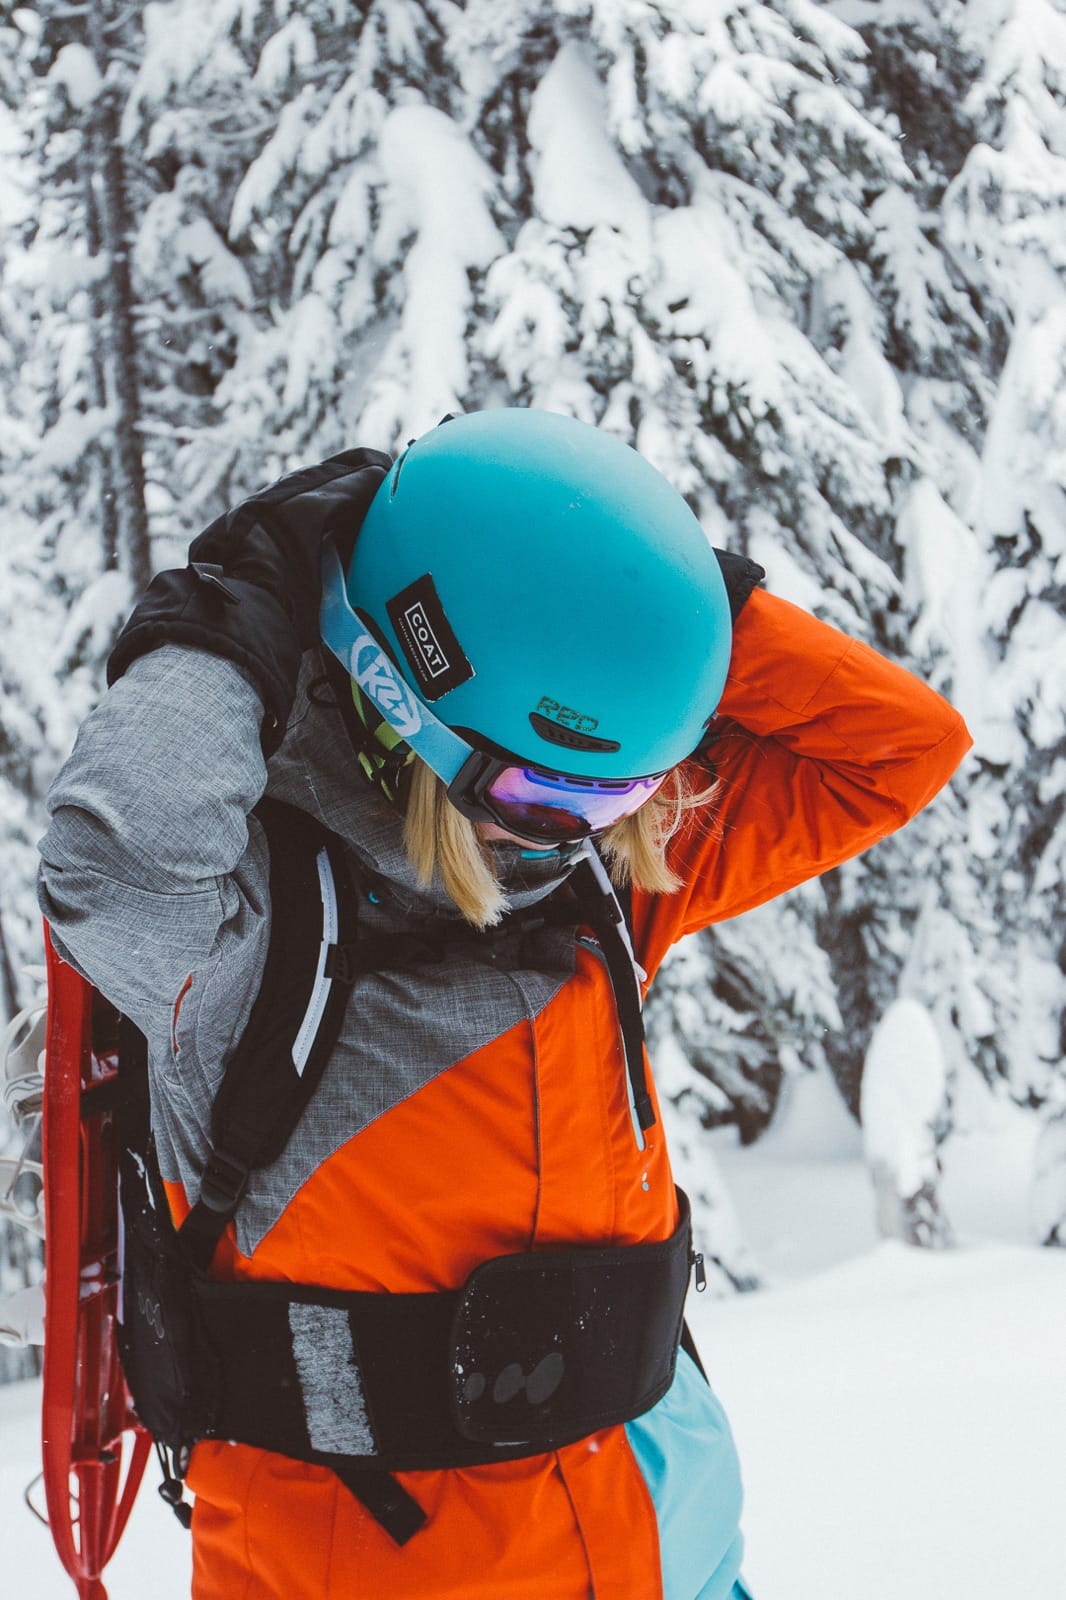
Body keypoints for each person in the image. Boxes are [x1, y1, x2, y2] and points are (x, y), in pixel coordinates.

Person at [38, 409, 971, 1600]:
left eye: (630, 780)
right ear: (397, 710)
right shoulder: (246, 936)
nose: (590, 825)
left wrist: (666, 611)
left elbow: (897, 746)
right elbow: (111, 869)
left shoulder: (599, 882)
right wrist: (235, 616)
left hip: (669, 1549)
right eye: (541, 786)